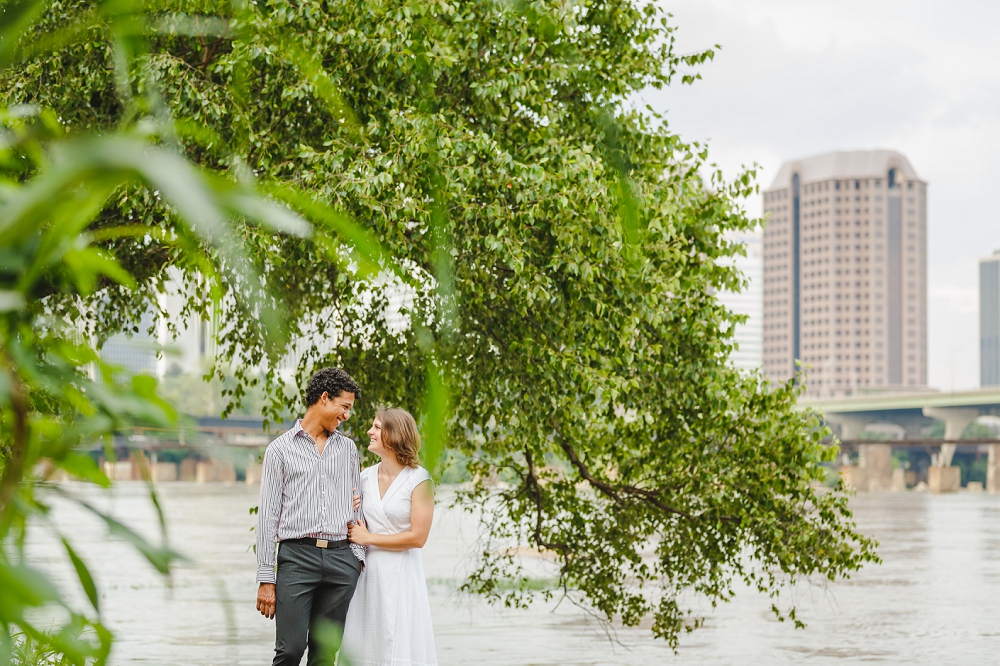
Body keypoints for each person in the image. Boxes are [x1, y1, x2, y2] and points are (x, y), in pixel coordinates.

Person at [255, 367, 365, 666]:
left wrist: (357, 559)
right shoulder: (279, 450)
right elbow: (268, 517)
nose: (346, 415)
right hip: (296, 559)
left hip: (342, 561)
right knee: (289, 650)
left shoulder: (348, 450)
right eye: (344, 407)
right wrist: (266, 578)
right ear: (324, 398)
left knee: (324, 654)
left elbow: (358, 506)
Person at [341, 408, 438, 666]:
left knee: (400, 643)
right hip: (368, 575)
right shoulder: (362, 477)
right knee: (366, 643)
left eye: (376, 427)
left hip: (403, 574)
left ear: (393, 435)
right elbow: (351, 525)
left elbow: (418, 537)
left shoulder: (420, 480)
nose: (369, 432)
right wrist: (348, 505)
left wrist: (368, 538)